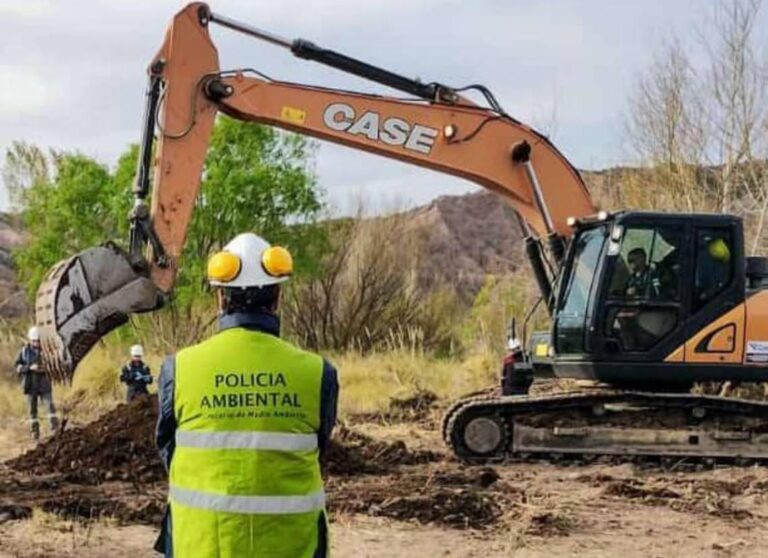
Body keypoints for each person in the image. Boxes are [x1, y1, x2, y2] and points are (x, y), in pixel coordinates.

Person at [155, 233, 338, 558]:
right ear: (278, 295)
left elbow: (169, 451)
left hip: (201, 546)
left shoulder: (179, 369)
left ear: (221, 299)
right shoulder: (317, 372)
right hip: (291, 547)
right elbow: (318, 447)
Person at [15, 326, 59, 442]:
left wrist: (46, 367)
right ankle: (35, 432)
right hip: (30, 386)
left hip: (44, 384)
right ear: (30, 340)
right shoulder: (24, 352)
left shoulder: (48, 350)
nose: (37, 343)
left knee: (50, 406)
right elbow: (17, 367)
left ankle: (55, 429)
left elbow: (56, 363)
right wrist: (29, 368)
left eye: (38, 341)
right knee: (32, 411)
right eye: (34, 341)